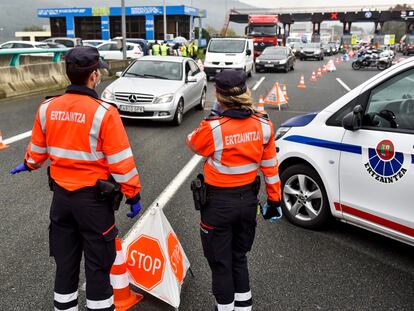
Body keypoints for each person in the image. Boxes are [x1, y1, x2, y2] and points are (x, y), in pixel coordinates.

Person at [10, 46, 142, 311]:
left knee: (65, 264)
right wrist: (133, 195)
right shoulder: (104, 112)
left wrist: (27, 164)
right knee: (98, 266)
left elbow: (37, 152)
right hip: (94, 203)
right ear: (93, 76)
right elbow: (121, 163)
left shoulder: (48, 107)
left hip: (61, 201)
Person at [186, 70, 281, 311]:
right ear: (245, 92)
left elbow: (192, 142)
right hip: (248, 202)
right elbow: (270, 167)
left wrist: (212, 117)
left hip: (217, 205)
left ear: (219, 96)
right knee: (239, 257)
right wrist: (275, 200)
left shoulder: (214, 128)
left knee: (220, 264)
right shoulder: (264, 125)